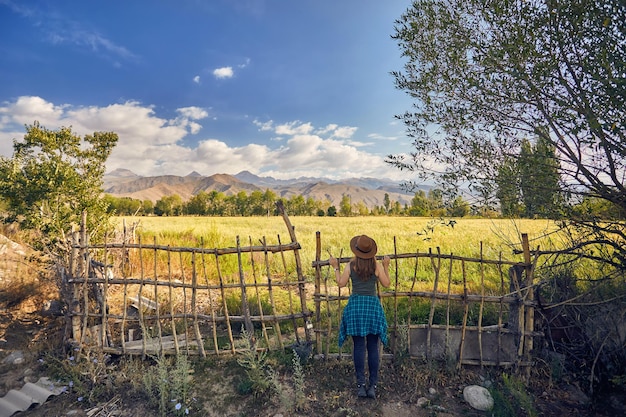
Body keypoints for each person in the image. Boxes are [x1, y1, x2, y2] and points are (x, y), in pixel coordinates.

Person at [329, 234, 391, 399]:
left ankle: (360, 385)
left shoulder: (351, 265)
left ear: (356, 250)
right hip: (372, 307)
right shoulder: (376, 265)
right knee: (372, 347)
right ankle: (373, 385)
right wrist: (386, 266)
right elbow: (386, 284)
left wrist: (335, 266)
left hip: (356, 307)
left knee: (358, 347)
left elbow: (341, 283)